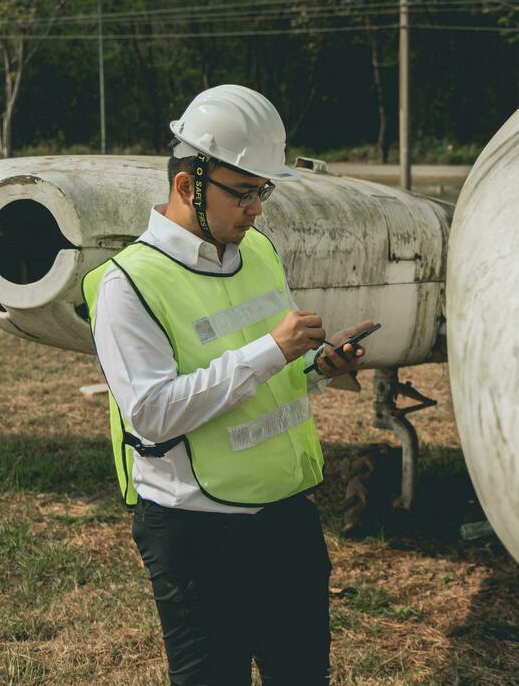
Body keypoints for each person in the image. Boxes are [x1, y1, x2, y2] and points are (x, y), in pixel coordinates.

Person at [82, 84, 372, 685]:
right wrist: (272, 350)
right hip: (198, 536)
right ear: (188, 185)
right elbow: (153, 413)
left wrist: (316, 369)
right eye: (243, 193)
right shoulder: (127, 287)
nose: (257, 209)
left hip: (286, 518)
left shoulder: (258, 251)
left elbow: (268, 383)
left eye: (263, 191)